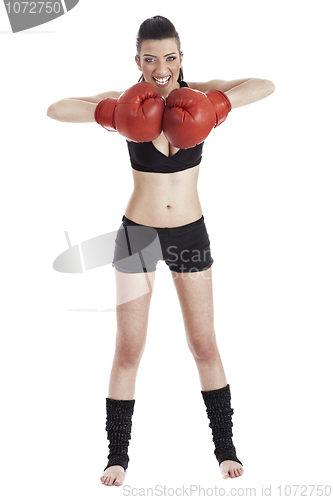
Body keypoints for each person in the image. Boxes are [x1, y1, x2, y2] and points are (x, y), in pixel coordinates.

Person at [47, 15, 275, 487]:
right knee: (129, 349)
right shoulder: (130, 101)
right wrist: (108, 114)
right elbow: (56, 109)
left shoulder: (199, 93)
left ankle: (226, 449)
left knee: (204, 343)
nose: (161, 67)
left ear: (180, 57)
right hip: (138, 235)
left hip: (189, 232)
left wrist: (219, 104)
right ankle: (117, 456)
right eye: (150, 59)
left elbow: (265, 85)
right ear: (138, 61)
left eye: (169, 57)